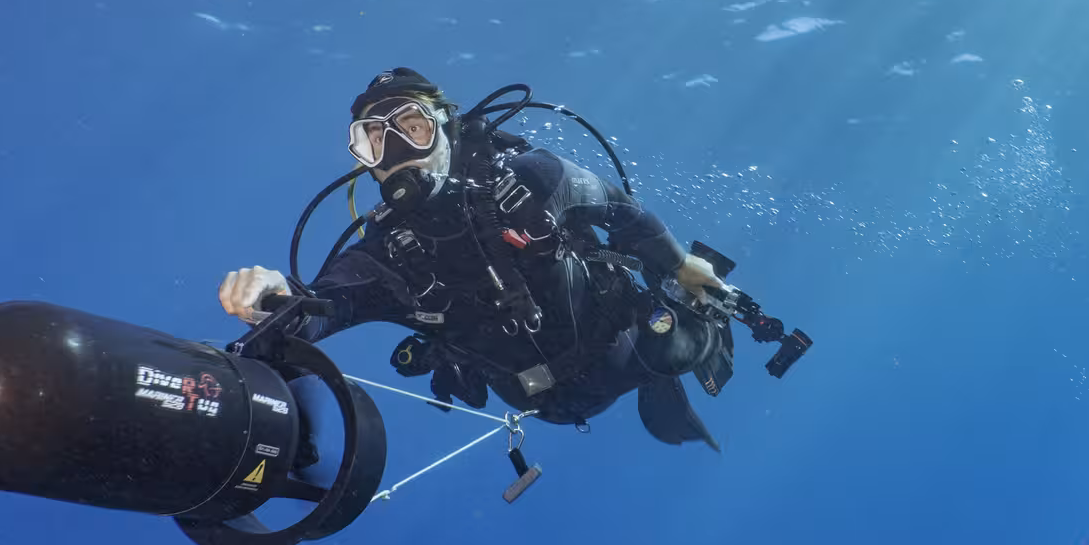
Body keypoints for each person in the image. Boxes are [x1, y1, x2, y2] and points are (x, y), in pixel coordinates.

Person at [218, 68, 734, 449]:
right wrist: (271, 301)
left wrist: (680, 264)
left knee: (674, 348)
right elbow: (315, 312)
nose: (395, 148)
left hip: (621, 348)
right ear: (364, 161)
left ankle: (700, 328)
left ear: (448, 128)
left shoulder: (535, 179)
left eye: (411, 126)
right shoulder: (381, 257)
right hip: (539, 402)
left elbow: (623, 213)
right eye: (373, 140)